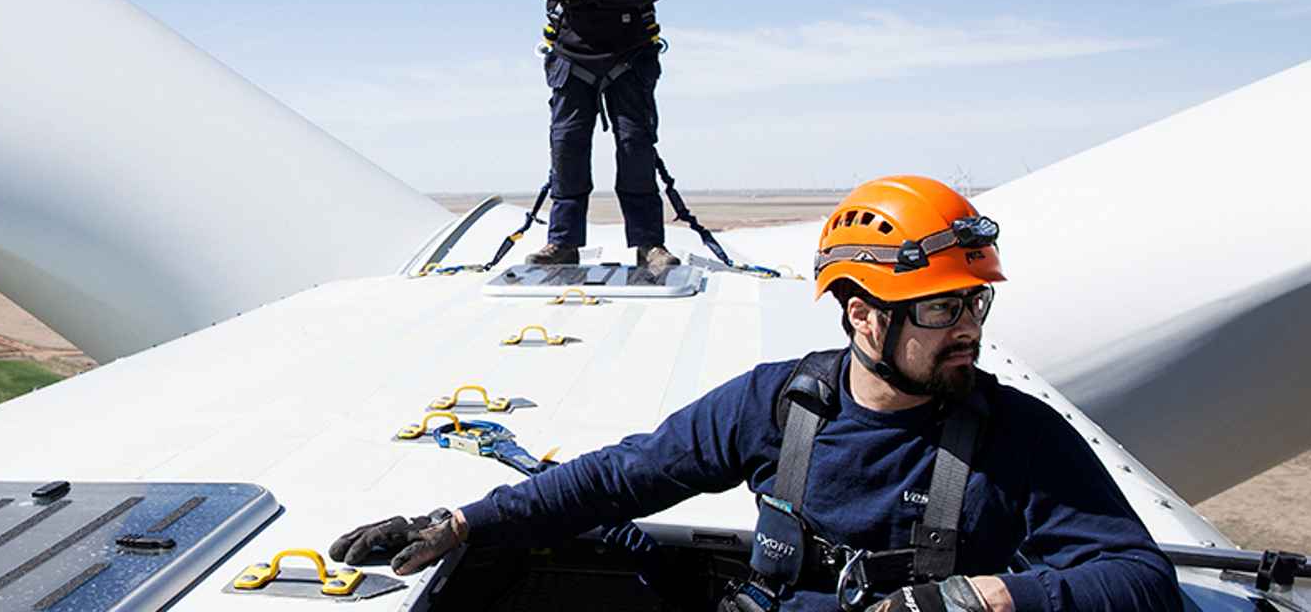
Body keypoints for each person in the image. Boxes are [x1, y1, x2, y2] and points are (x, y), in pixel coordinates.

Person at [331, 176, 1184, 612]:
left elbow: (1141, 580)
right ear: (861, 314)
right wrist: (460, 523)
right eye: (939, 306)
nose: (966, 326)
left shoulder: (1015, 437)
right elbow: (618, 478)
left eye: (975, 302)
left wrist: (988, 595)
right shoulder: (780, 406)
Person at [528, 0, 678, 273]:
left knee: (635, 149)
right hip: (572, 60)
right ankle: (563, 244)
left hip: (629, 59)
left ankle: (650, 245)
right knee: (568, 150)